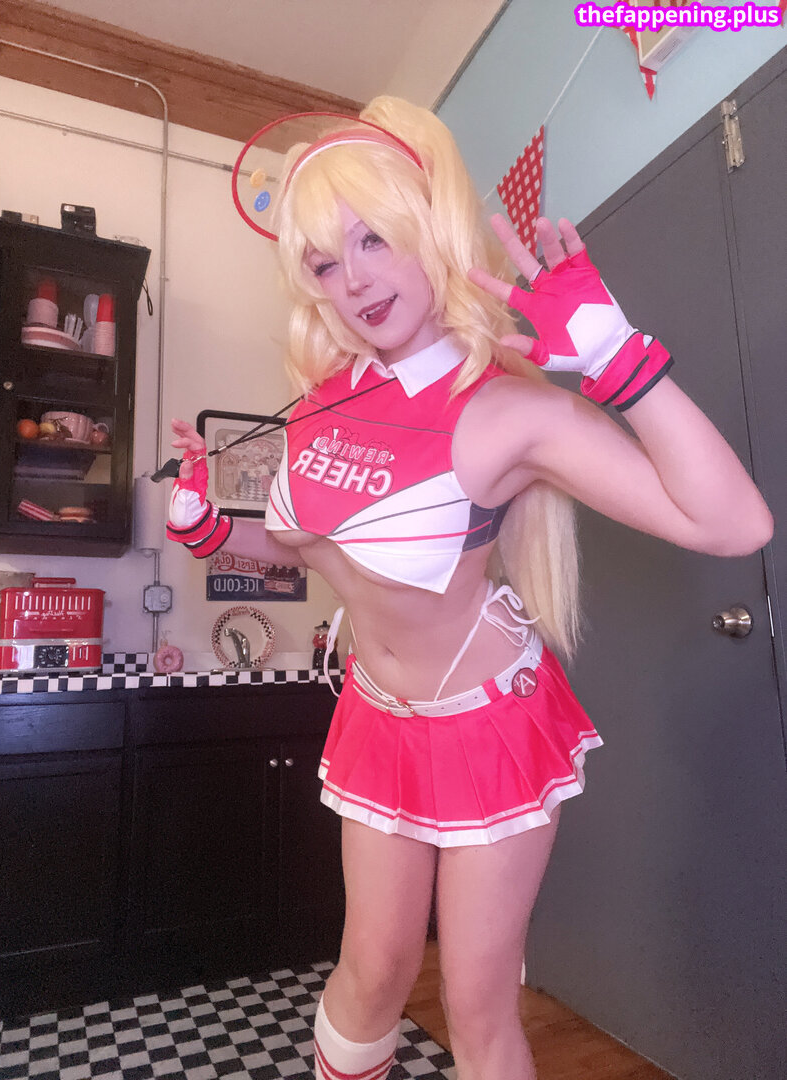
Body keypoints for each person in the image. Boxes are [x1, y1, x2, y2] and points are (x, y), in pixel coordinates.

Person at [166, 97, 772, 1080]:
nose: (355, 279)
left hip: (487, 723)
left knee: (476, 1005)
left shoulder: (500, 409)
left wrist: (617, 359)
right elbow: (309, 555)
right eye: (325, 261)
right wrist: (206, 529)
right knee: (370, 971)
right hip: (377, 713)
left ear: (428, 227)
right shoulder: (318, 409)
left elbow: (734, 524)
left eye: (373, 237)